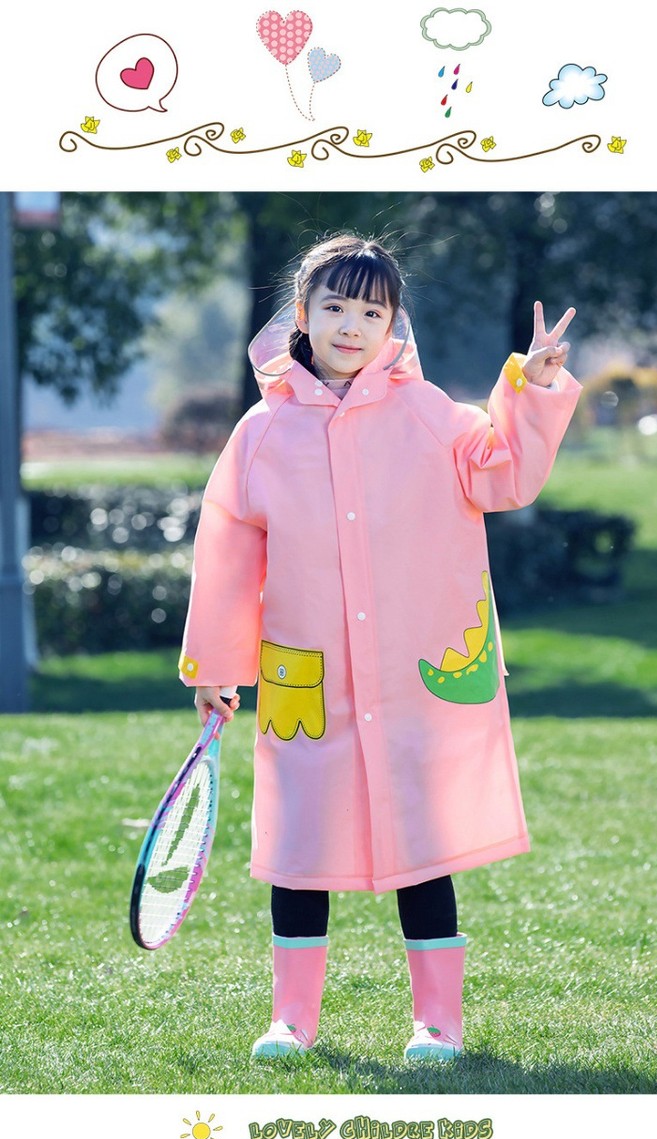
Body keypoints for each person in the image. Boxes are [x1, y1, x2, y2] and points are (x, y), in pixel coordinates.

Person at [178, 233, 580, 1062]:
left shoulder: (426, 413)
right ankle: (292, 1019)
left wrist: (532, 388)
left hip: (408, 678)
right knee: (298, 848)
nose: (351, 326)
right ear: (301, 314)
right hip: (307, 676)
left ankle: (437, 1022)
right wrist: (215, 665)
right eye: (335, 307)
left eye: (371, 312)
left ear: (393, 323)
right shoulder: (261, 431)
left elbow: (502, 471)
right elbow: (226, 551)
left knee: (421, 844)